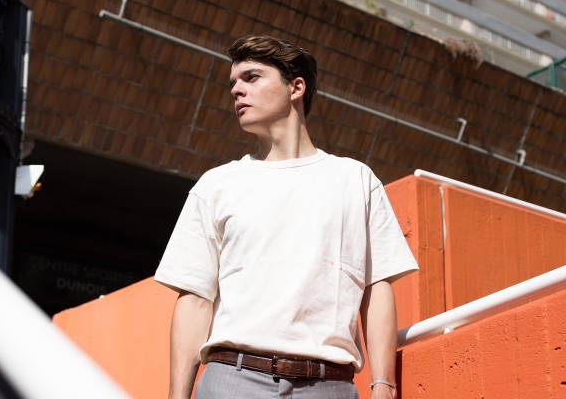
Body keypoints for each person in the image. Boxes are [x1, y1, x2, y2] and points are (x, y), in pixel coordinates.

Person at [154, 34, 418, 399]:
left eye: (251, 77)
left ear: (296, 87)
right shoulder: (216, 185)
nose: (236, 90)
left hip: (330, 386)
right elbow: (195, 300)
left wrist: (384, 384)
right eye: (233, 83)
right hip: (233, 381)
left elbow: (377, 287)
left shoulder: (356, 180)